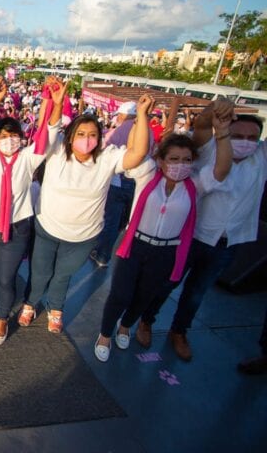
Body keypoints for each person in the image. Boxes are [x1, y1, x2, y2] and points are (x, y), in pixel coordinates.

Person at [137, 104, 266, 361]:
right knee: (168, 282)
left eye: (252, 138)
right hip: (191, 236)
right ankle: (146, 321)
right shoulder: (209, 150)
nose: (245, 143)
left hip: (228, 241)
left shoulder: (261, 158)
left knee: (197, 291)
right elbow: (203, 125)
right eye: (238, 136)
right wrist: (214, 111)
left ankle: (179, 331)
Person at [94, 124, 233, 362]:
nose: (181, 165)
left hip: (166, 251)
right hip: (135, 246)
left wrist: (222, 135)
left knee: (144, 296)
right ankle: (105, 334)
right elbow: (137, 150)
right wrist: (141, 116)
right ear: (161, 160)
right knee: (120, 294)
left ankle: (126, 326)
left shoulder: (194, 186)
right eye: (174, 159)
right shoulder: (147, 174)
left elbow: (221, 170)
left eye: (187, 160)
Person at [20, 94, 153, 333]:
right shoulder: (57, 151)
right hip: (47, 228)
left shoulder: (107, 158)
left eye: (92, 134)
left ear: (99, 138)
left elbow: (137, 153)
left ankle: (56, 308)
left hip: (83, 237)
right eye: (80, 134)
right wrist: (58, 104)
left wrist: (142, 116)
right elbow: (45, 128)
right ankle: (30, 303)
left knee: (62, 275)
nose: (86, 139)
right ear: (70, 136)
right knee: (40, 273)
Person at [0, 76, 65, 345]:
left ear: (22, 139)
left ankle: (1, 317)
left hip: (17, 228)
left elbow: (51, 133)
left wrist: (55, 105)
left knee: (7, 278)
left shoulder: (28, 158)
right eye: (3, 135)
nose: (9, 140)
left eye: (14, 135)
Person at [90, 101, 140, 268]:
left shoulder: (116, 132)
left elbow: (103, 156)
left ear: (123, 116)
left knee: (111, 219)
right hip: (138, 181)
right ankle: (112, 248)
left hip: (117, 180)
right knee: (124, 220)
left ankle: (103, 255)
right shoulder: (146, 132)